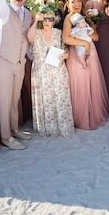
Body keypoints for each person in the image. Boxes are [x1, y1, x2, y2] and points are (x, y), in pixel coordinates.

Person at [0, 0, 33, 150]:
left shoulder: (29, 14)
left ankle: (14, 129)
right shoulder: (4, 10)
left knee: (14, 98)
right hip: (4, 60)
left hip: (19, 61)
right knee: (4, 99)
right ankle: (5, 136)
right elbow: (0, 2)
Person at [63, 0, 109, 129]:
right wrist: (84, 43)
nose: (76, 4)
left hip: (91, 52)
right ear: (67, 4)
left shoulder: (85, 17)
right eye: (73, 2)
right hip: (77, 54)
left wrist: (91, 33)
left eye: (78, 1)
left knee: (92, 82)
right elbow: (66, 38)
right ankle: (82, 117)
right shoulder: (68, 18)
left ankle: (92, 113)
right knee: (81, 84)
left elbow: (96, 38)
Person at [28, 9, 74, 137]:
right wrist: (36, 20)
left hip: (58, 70)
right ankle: (48, 129)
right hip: (41, 71)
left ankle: (63, 126)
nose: (47, 22)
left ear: (54, 21)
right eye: (45, 18)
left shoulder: (59, 33)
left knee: (60, 97)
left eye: (50, 19)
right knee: (46, 99)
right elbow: (29, 38)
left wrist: (65, 55)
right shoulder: (36, 33)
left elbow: (67, 51)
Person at [86, 0, 109, 108]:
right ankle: (98, 100)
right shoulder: (90, 3)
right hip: (95, 38)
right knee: (97, 68)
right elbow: (86, 22)